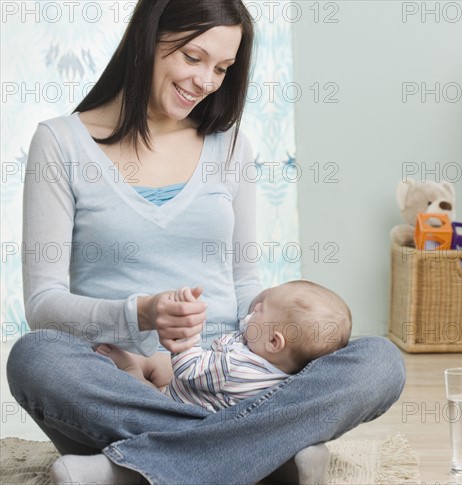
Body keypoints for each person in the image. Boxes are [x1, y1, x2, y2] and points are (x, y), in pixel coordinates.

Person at [6, 0, 406, 484]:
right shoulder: (61, 143)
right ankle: (263, 457)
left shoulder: (230, 144)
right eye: (193, 58)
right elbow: (44, 304)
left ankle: (130, 471)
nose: (207, 81)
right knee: (35, 356)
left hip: (235, 379)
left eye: (222, 67)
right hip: (124, 384)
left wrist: (242, 359)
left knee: (379, 362)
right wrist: (141, 314)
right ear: (148, 40)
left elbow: (244, 282)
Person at [97, 280, 353, 412]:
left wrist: (184, 338)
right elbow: (251, 328)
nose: (254, 309)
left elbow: (189, 368)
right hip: (203, 389)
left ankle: (130, 369)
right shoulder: (279, 365)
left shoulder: (234, 368)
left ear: (275, 342)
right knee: (155, 361)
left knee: (142, 389)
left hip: (177, 407)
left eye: (261, 310)